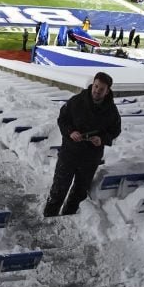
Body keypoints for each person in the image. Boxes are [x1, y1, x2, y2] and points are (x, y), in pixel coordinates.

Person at [44, 72, 122, 217]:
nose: (97, 90)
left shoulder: (111, 110)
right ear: (93, 84)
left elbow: (115, 130)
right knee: (58, 191)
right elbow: (62, 120)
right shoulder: (76, 101)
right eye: (96, 86)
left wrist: (102, 139)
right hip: (69, 154)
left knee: (79, 194)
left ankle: (67, 219)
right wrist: (70, 132)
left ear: (107, 91)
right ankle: (48, 219)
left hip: (90, 158)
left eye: (102, 89)